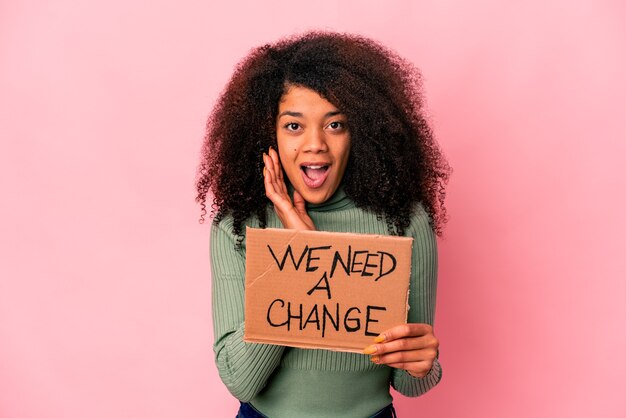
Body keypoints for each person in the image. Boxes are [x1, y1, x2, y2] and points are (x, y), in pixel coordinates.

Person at [196, 31, 450, 418]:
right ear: (269, 134)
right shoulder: (238, 225)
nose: (315, 144)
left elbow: (411, 384)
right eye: (294, 126)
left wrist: (422, 363)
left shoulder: (405, 221)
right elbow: (241, 380)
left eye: (335, 125)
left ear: (361, 132)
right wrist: (299, 256)